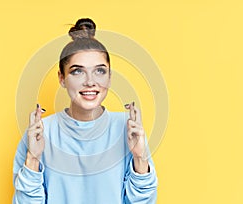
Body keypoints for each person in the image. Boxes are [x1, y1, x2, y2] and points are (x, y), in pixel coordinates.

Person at [12, 18, 158, 204]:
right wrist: (33, 158)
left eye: (99, 71)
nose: (90, 81)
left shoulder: (127, 129)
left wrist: (139, 157)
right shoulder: (40, 133)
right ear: (62, 78)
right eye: (77, 71)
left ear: (109, 77)